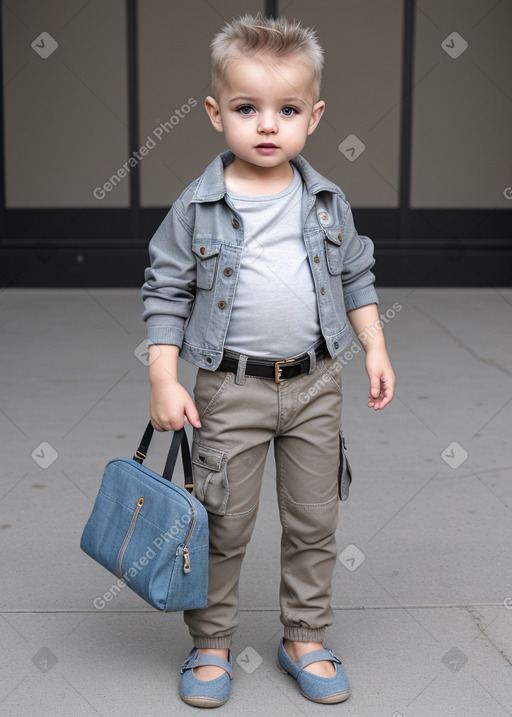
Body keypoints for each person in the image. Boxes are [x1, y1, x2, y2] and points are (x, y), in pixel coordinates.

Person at [141, 12, 395, 708]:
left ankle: (305, 635)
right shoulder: (198, 208)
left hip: (315, 382)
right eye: (247, 108)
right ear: (215, 111)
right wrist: (164, 374)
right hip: (230, 388)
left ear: (313, 116)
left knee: (315, 520)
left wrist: (373, 344)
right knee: (222, 523)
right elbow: (165, 290)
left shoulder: (324, 202)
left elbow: (356, 276)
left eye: (286, 110)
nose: (266, 125)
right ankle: (212, 642)